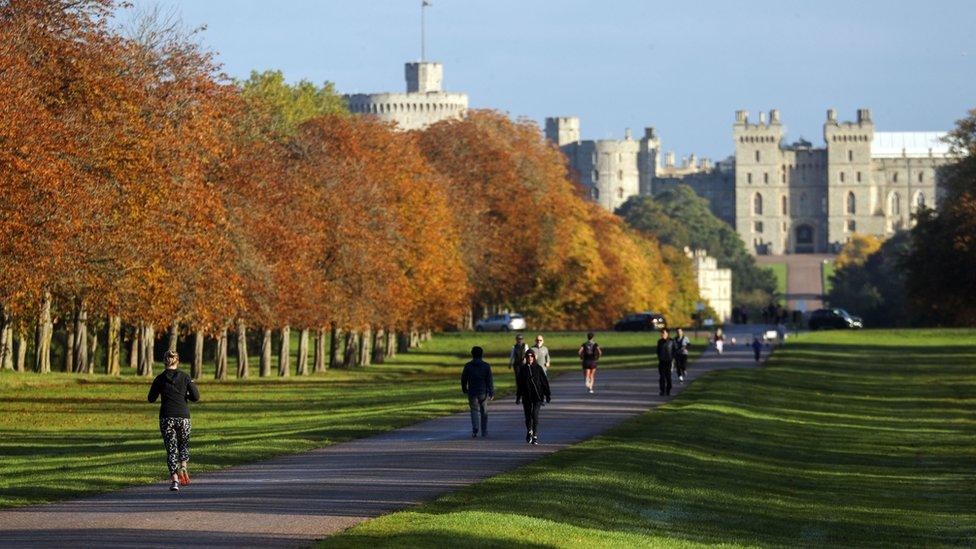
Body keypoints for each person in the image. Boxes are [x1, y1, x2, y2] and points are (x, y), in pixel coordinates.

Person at [148, 350, 200, 491]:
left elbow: (151, 399)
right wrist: (184, 395)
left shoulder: (159, 379)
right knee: (183, 444)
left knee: (171, 449)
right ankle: (183, 467)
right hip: (183, 416)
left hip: (166, 417)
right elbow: (196, 396)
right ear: (178, 361)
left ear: (165, 361)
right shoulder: (185, 377)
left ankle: (175, 480)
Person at [515, 349, 551, 445]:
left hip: (537, 396)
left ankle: (535, 435)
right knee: (527, 416)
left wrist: (547, 394)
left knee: (534, 415)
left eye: (531, 356)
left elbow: (544, 382)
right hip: (526, 396)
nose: (530, 358)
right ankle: (529, 431)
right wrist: (518, 397)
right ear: (525, 358)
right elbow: (520, 384)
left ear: (534, 357)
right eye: (528, 356)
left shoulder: (538, 368)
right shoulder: (522, 369)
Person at [461, 346, 494, 438]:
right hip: (483, 392)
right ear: (481, 354)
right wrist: (491, 391)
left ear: (472, 354)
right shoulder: (486, 366)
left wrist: (464, 388)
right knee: (484, 411)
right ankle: (484, 431)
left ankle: (475, 428)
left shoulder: (468, 366)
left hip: (472, 391)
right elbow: (489, 380)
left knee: (474, 410)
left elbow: (463, 378)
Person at [656, 328, 676, 396]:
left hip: (669, 362)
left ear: (667, 334)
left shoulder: (671, 341)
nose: (662, 334)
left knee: (668, 377)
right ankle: (662, 391)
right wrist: (659, 357)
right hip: (661, 362)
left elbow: (674, 351)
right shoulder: (659, 341)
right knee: (662, 377)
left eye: (664, 333)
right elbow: (658, 351)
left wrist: (673, 358)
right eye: (661, 333)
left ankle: (668, 390)